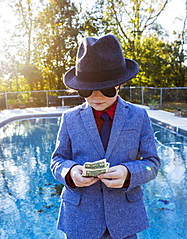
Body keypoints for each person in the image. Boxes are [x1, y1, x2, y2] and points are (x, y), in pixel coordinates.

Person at [50, 34, 160, 239]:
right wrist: (71, 172)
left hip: (124, 221)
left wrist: (129, 173)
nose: (96, 96)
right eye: (87, 91)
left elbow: (152, 163)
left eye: (106, 89)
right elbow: (57, 160)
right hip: (80, 219)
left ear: (120, 84)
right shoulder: (70, 118)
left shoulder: (138, 116)